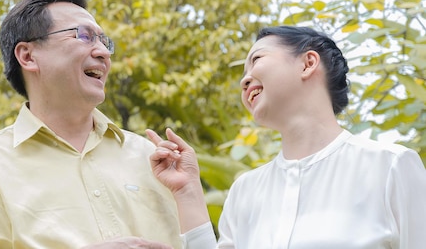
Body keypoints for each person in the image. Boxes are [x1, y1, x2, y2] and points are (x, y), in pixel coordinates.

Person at [0, 0, 182, 249]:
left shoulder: (152, 158)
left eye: (104, 41)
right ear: (28, 56)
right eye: (85, 36)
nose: (103, 52)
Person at [147, 25, 426, 249]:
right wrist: (187, 193)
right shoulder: (245, 191)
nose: (244, 80)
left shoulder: (390, 167)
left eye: (256, 59)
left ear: (308, 63)